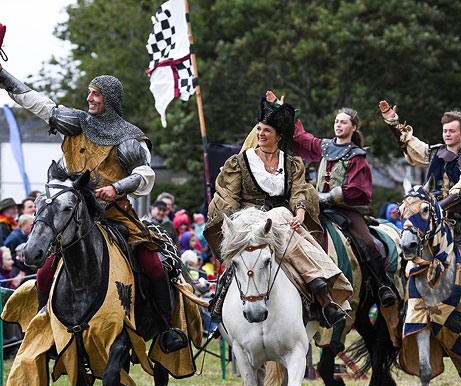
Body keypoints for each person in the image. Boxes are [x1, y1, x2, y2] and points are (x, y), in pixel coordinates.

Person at [0, 65, 187, 353]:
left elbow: (145, 174)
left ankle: (165, 328)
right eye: (89, 92)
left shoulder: (127, 137)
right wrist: (4, 76)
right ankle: (44, 326)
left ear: (109, 100)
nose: (89, 98)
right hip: (74, 215)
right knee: (44, 271)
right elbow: (40, 104)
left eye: (95, 94)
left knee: (152, 262)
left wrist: (117, 187)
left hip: (114, 213)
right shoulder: (76, 122)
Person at [204, 97, 352, 327]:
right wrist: (227, 218)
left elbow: (300, 190)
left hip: (281, 222)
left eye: (267, 131)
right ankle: (321, 288)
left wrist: (301, 211)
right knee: (280, 217)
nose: (261, 135)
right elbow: (227, 194)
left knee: (281, 218)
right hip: (247, 220)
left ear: (279, 136)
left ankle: (314, 294)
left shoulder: (291, 164)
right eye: (259, 130)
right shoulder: (239, 162)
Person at [379, 100, 461, 313]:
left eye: (452, 130)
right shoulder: (435, 153)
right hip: (432, 217)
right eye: (445, 130)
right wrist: (392, 122)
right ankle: (405, 296)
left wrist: (437, 205)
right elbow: (411, 145)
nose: (447, 134)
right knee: (408, 241)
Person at [272, 91, 397, 308]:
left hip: (347, 211)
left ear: (353, 128)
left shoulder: (357, 156)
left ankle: (382, 285)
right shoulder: (324, 147)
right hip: (317, 208)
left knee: (366, 242)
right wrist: (282, 111)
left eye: (344, 122)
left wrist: (328, 196)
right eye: (337, 121)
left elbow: (359, 190)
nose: (338, 125)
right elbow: (300, 137)